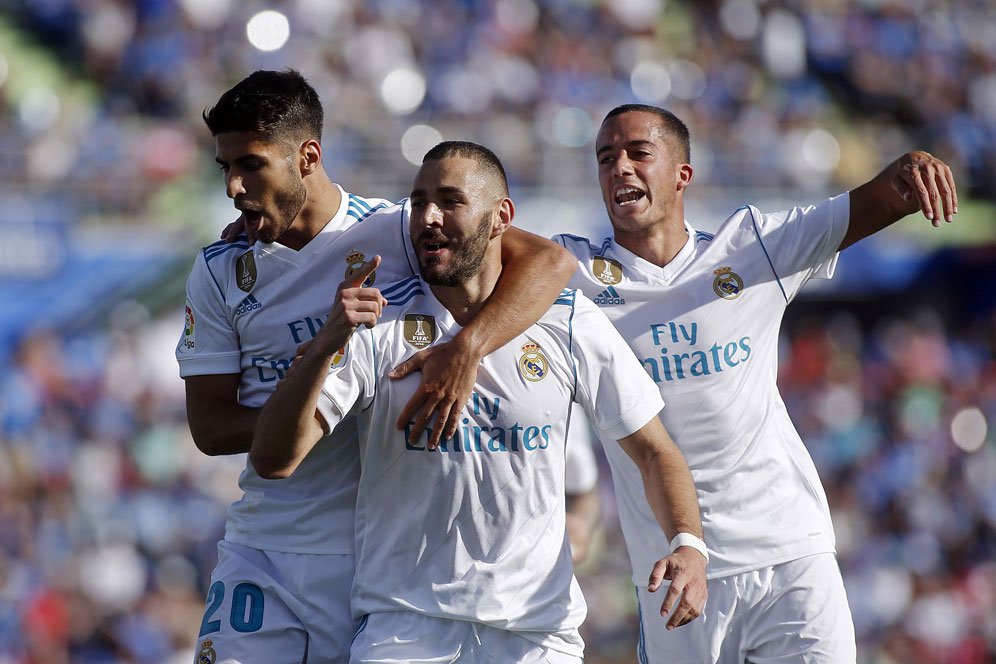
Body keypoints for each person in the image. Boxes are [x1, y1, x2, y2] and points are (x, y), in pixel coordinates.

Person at [249, 141, 709, 663]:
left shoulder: (568, 321)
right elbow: (274, 460)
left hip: (537, 638)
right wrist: (324, 348)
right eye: (418, 201)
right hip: (407, 632)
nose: (427, 218)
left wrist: (688, 546)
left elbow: (654, 450)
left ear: (500, 218)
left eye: (450, 201)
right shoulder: (378, 324)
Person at [175, 70, 578, 664]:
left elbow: (550, 262)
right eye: (224, 168)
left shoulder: (397, 230)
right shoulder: (218, 270)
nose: (233, 186)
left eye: (251, 165)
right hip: (265, 542)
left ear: (307, 157)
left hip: (371, 559)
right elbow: (209, 430)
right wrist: (323, 401)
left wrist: (466, 350)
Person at [553, 103, 958, 663]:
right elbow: (475, 251)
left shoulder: (751, 248)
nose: (619, 166)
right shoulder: (568, 276)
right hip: (672, 573)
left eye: (638, 152)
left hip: (790, 554)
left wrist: (912, 166)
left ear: (681, 175)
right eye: (605, 158)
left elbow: (875, 201)